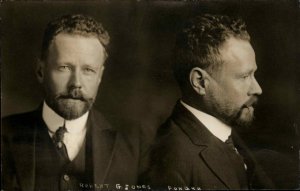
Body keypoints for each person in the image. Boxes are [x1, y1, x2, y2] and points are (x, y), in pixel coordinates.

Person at [2, 14, 141, 191]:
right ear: (40, 71)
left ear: (100, 76)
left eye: (88, 70)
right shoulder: (4, 135)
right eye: (64, 68)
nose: (76, 83)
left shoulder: (133, 146)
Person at [141, 14, 275, 189]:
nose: (257, 89)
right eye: (244, 76)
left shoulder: (228, 130)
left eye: (253, 74)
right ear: (200, 82)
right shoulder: (170, 160)